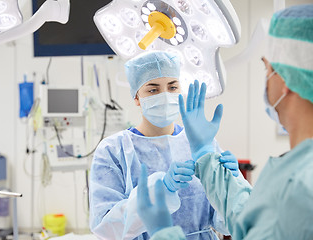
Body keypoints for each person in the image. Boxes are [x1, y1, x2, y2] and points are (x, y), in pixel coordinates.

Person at [137, 4, 313, 240]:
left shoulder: (300, 187)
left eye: (267, 68)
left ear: (287, 80)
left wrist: (164, 233)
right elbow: (250, 217)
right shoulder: (297, 174)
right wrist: (205, 154)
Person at [89, 51, 240, 240]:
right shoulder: (114, 150)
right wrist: (161, 190)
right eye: (153, 90)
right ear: (136, 97)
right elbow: (105, 228)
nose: (165, 96)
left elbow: (227, 225)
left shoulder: (199, 143)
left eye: (172, 87)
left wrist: (231, 186)